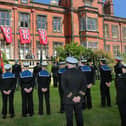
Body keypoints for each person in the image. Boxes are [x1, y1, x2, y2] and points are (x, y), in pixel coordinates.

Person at [61, 57, 87, 126]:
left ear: (68, 64)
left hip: (68, 99)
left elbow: (64, 88)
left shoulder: (64, 74)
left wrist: (72, 97)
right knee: (79, 116)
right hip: (79, 99)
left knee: (69, 118)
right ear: (75, 64)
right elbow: (84, 87)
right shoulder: (81, 73)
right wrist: (79, 96)